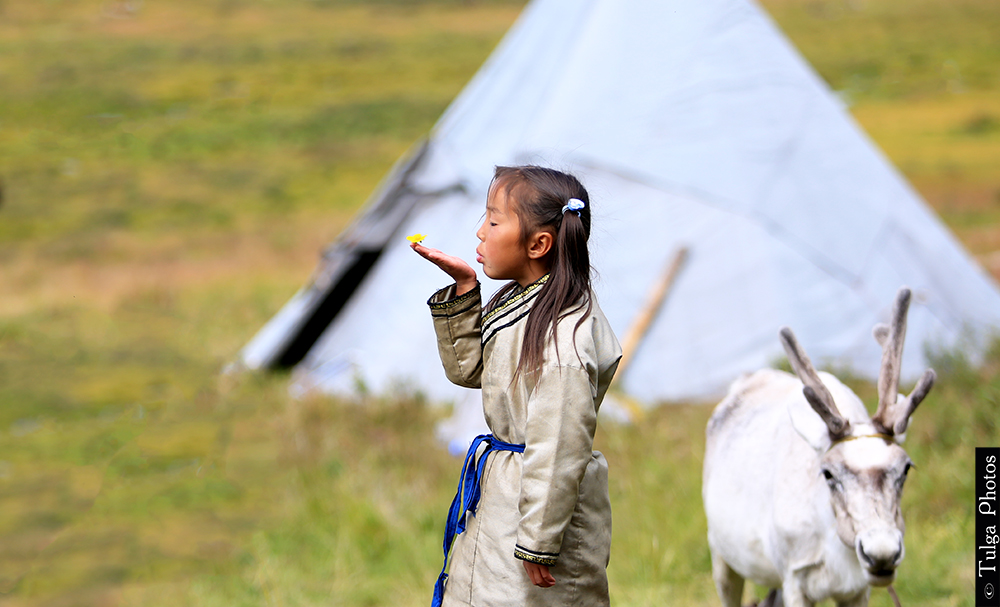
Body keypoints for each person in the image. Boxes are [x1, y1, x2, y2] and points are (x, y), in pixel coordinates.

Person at [411, 165, 622, 607]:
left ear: (538, 244)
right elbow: (472, 372)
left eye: (492, 220)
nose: (480, 233)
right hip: (506, 497)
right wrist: (466, 288)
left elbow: (560, 442)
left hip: (538, 510)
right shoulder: (525, 298)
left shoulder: (563, 337)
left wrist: (539, 541)